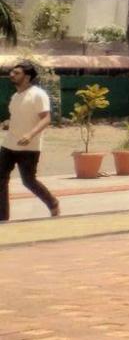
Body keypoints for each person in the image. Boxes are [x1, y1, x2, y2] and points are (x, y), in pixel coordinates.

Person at [1, 62, 60, 222]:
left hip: (29, 147)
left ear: (27, 77)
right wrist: (8, 123)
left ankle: (52, 203)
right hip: (9, 144)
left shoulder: (38, 94)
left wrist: (30, 135)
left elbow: (46, 118)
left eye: (16, 73)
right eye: (12, 72)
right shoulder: (15, 96)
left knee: (28, 181)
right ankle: (3, 218)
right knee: (1, 179)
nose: (12, 75)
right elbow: (19, 117)